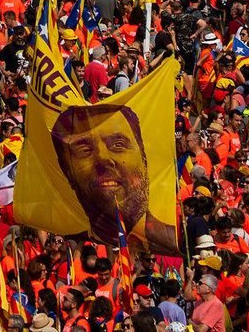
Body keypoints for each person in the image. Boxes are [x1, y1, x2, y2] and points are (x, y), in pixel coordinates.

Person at [46, 102, 181, 254]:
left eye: (118, 144)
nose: (103, 158)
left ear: (144, 157)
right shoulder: (65, 249)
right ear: (66, 170)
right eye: (84, 149)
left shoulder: (175, 242)